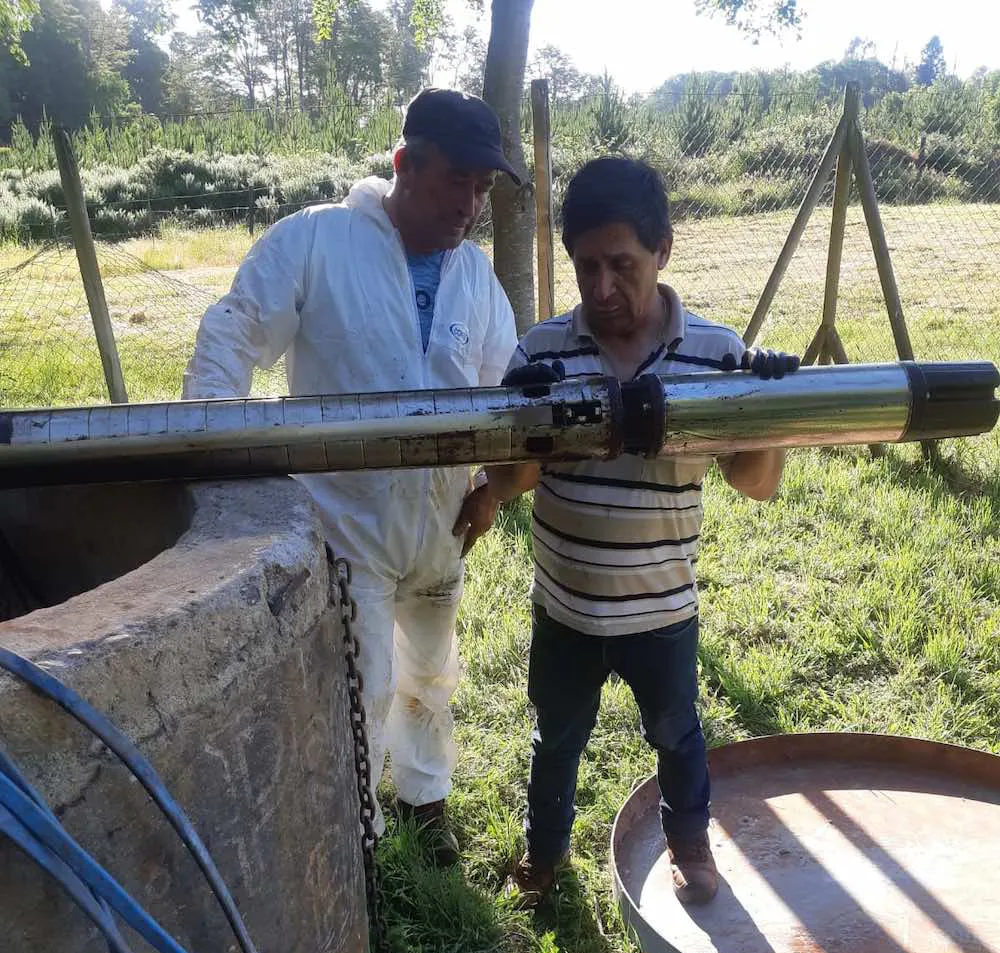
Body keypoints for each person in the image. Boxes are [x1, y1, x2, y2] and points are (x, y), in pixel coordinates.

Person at [183, 88, 520, 866]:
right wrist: (207, 448)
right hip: (345, 524)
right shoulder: (316, 242)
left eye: (483, 187)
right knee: (362, 682)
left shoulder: (474, 279)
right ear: (405, 164)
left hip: (442, 523)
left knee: (432, 667)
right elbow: (233, 333)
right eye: (456, 182)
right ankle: (357, 836)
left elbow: (509, 389)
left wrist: (497, 486)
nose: (470, 204)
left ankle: (425, 797)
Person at [486, 157, 799, 906]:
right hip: (565, 608)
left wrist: (764, 409)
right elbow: (508, 486)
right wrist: (524, 427)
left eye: (622, 265)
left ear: (664, 249)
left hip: (662, 612)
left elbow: (757, 487)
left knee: (678, 737)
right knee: (556, 740)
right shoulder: (540, 352)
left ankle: (690, 845)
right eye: (585, 266)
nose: (601, 289)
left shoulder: (717, 355)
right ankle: (544, 855)